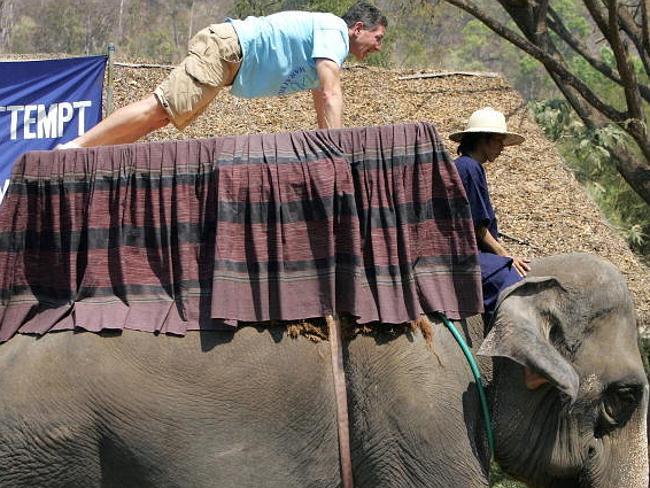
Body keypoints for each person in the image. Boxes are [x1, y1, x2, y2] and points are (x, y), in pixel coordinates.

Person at [58, 1, 387, 149]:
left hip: (231, 59)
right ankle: (75, 149)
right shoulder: (334, 30)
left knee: (162, 117)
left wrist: (325, 145)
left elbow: (321, 98)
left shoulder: (329, 52)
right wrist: (338, 152)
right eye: (378, 38)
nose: (378, 47)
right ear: (358, 28)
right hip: (229, 49)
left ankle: (89, 154)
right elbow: (331, 94)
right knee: (159, 108)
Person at [450, 106, 531, 322]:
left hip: (468, 253)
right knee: (512, 283)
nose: (502, 147)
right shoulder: (468, 167)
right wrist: (505, 256)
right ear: (482, 139)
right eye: (497, 140)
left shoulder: (466, 166)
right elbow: (477, 227)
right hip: (464, 256)